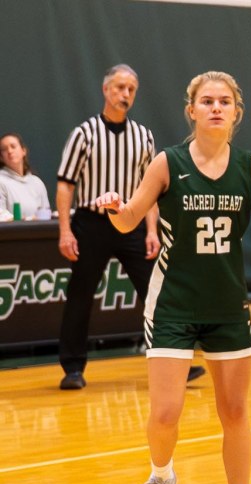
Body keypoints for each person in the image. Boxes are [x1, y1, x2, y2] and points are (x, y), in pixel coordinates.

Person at [96, 71, 251, 484]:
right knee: (165, 412)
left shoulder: (250, 165)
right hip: (173, 305)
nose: (216, 108)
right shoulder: (168, 162)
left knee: (235, 412)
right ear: (192, 109)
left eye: (225, 101)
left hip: (227, 305)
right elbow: (128, 221)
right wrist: (112, 206)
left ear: (236, 111)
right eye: (207, 101)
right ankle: (161, 476)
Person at [56, 64, 204, 390]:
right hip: (91, 223)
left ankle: (175, 359)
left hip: (132, 222)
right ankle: (72, 368)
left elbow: (148, 189)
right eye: (120, 88)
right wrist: (65, 230)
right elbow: (66, 184)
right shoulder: (84, 133)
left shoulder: (143, 135)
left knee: (157, 293)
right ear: (106, 90)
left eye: (131, 90)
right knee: (80, 294)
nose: (126, 94)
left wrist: (152, 231)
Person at [0, 133, 50, 218]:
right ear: (1, 157)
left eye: (13, 146)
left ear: (23, 151)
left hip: (38, 231)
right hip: (11, 231)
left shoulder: (37, 183)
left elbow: (45, 214)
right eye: (4, 149)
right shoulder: (1, 181)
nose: (10, 151)